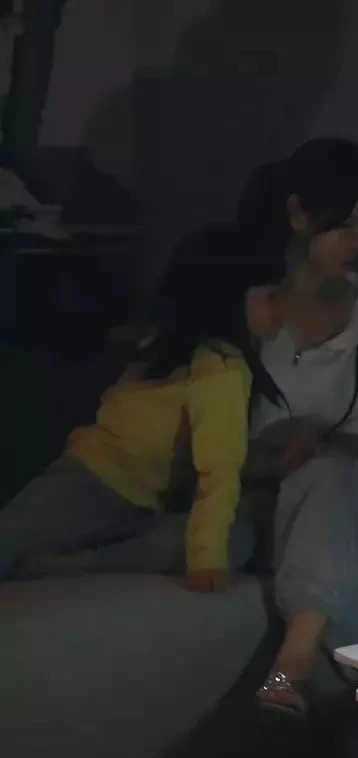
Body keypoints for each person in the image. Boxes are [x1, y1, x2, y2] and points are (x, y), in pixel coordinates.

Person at [0, 226, 283, 588]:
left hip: (141, 506)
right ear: (228, 298)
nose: (284, 309)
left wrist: (208, 556)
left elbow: (217, 461)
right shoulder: (219, 364)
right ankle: (73, 560)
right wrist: (206, 563)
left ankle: (73, 564)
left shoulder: (189, 351)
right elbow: (219, 470)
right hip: (93, 481)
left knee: (232, 539)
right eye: (272, 296)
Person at [239, 138, 358, 717]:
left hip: (319, 494)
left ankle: (293, 664)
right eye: (345, 226)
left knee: (335, 475)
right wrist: (266, 453)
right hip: (238, 493)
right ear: (299, 214)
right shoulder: (249, 305)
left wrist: (320, 443)